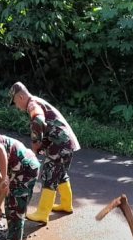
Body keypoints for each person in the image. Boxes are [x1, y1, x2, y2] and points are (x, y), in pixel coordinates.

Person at [8, 82, 80, 224]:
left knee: (49, 175)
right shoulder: (37, 101)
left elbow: (38, 120)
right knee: (59, 174)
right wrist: (42, 145)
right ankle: (66, 204)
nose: (16, 106)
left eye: (15, 102)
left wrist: (36, 143)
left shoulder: (32, 104)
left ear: (21, 97)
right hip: (65, 143)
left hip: (60, 145)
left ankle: (42, 213)